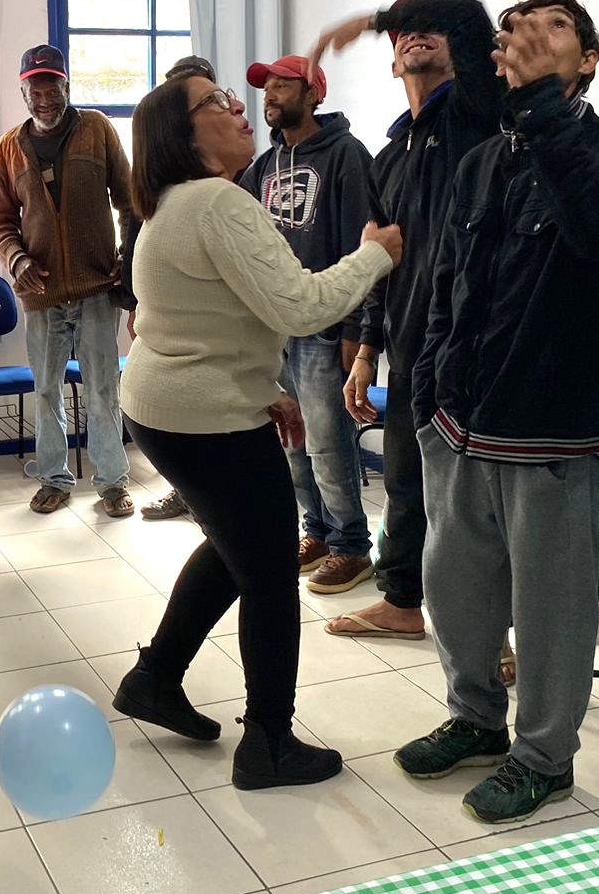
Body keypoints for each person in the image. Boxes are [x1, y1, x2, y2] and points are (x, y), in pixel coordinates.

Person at [394, 0, 599, 824]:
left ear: (588, 61)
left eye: (555, 27)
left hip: (548, 431)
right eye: (516, 28)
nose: (527, 36)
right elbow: (447, 281)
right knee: (455, 591)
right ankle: (476, 719)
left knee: (549, 609)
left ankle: (545, 757)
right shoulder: (480, 161)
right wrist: (430, 390)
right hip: (458, 426)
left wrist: (544, 109)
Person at [110, 73, 401, 789]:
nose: (239, 108)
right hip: (205, 420)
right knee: (268, 575)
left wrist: (265, 387)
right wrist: (376, 254)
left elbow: (205, 319)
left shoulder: (174, 204)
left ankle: (155, 678)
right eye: (216, 102)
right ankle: (268, 743)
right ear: (184, 135)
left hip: (166, 409)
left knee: (232, 545)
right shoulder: (217, 202)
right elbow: (301, 307)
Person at [308, 0, 505, 655]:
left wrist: (374, 21)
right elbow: (381, 260)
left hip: (473, 348)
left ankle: (497, 634)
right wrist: (367, 350)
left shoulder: (478, 116)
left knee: (473, 499)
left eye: (429, 29)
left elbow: (470, 17)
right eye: (403, 35)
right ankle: (400, 602)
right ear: (393, 65)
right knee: (405, 483)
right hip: (409, 349)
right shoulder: (390, 156)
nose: (415, 36)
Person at [239, 54, 375, 593]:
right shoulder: (265, 165)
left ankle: (351, 545)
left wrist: (356, 333)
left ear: (314, 93)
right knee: (293, 441)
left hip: (326, 328)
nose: (270, 95)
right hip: (275, 329)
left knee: (326, 443)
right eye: (266, 87)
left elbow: (363, 248)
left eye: (282, 85)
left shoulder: (347, 156)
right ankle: (316, 531)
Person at [0, 44, 136, 516]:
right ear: (23, 93)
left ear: (66, 86)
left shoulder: (97, 129)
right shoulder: (9, 147)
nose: (45, 97)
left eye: (52, 86)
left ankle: (112, 483)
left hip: (97, 289)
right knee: (47, 390)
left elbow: (129, 200)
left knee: (103, 390)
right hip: (41, 293)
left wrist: (127, 258)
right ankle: (54, 479)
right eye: (35, 88)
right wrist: (16, 260)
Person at [135, 54, 220, 524]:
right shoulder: (163, 178)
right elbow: (136, 228)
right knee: (234, 531)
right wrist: (134, 299)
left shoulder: (229, 177)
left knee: (235, 530)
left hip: (223, 346)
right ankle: (188, 494)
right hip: (177, 352)